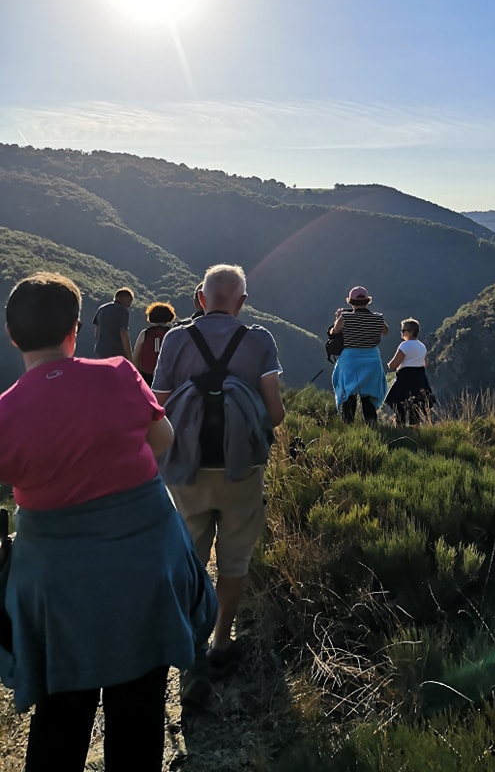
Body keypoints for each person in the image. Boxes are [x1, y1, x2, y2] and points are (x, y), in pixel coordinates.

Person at [0, 272, 216, 772]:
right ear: (76, 330)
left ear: (12, 336)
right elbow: (161, 442)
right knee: (139, 716)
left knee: (60, 719)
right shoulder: (119, 374)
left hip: (58, 591)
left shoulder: (6, 414)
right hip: (145, 576)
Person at [152, 264, 284, 687]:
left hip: (186, 467)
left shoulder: (175, 338)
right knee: (235, 558)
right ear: (242, 302)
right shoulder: (260, 340)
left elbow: (158, 407)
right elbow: (276, 412)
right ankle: (222, 641)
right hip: (241, 469)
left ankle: (189, 637)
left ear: (199, 298)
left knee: (190, 556)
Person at [330, 285, 389, 425]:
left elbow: (334, 331)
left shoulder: (345, 317)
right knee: (368, 396)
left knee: (349, 394)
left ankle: (348, 425)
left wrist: (338, 317)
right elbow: (385, 331)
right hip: (372, 359)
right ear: (368, 301)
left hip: (350, 359)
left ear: (350, 302)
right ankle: (371, 425)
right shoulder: (378, 318)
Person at [385, 317, 435, 425]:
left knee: (396, 402)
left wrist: (391, 365)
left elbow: (393, 365)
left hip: (405, 378)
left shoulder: (405, 345)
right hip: (420, 378)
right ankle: (415, 430)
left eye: (403, 330)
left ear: (411, 332)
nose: (401, 333)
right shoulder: (422, 346)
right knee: (415, 407)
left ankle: (400, 426)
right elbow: (425, 363)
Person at [132, 300, 177, 386]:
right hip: (168, 376)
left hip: (147, 376)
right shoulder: (172, 333)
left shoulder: (145, 333)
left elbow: (136, 358)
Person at [93, 287, 133, 359]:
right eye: (129, 301)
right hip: (116, 352)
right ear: (122, 299)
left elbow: (97, 333)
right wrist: (129, 356)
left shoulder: (101, 309)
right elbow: (123, 333)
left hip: (100, 351)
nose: (129, 305)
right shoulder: (123, 311)